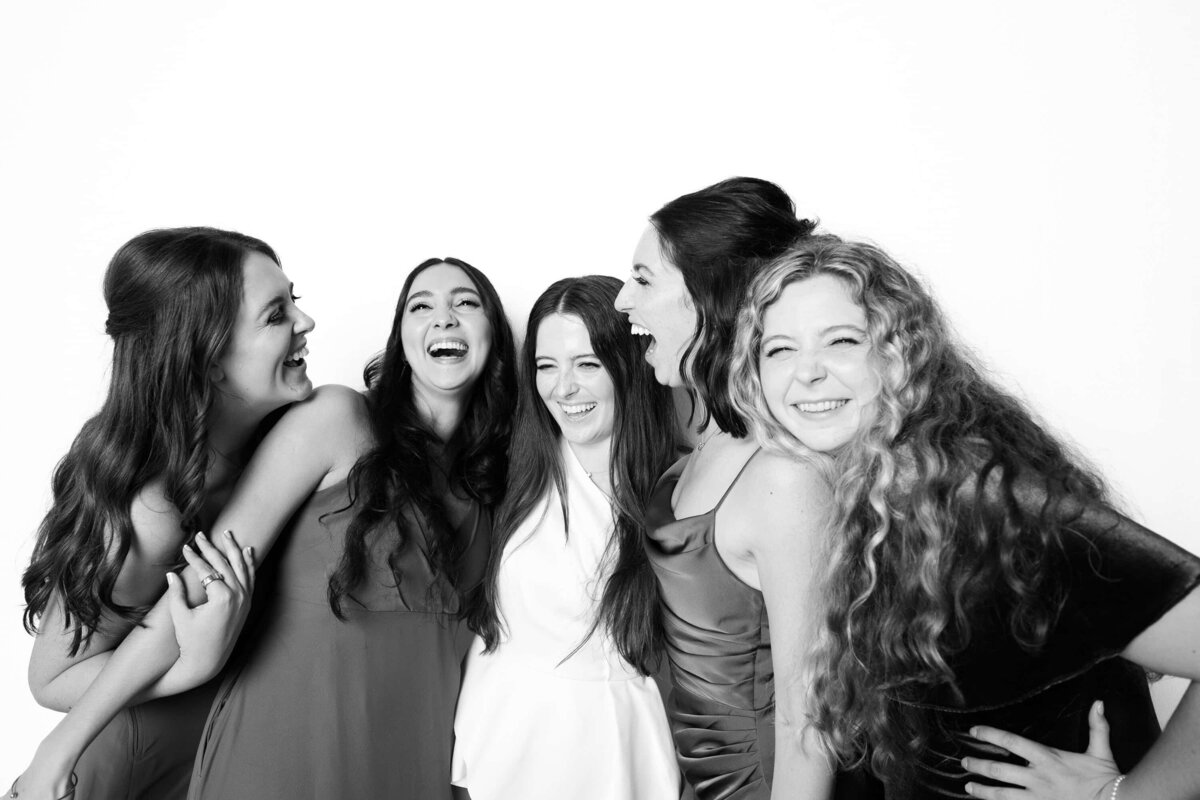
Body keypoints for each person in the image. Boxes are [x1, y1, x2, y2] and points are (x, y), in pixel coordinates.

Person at [14, 257, 517, 800]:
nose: (443, 319)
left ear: (495, 332)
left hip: (410, 757)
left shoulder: (503, 485)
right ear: (400, 337)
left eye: (465, 303)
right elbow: (193, 592)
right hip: (284, 753)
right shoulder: (335, 419)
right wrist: (60, 748)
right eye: (421, 306)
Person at [729, 235, 1200, 800]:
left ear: (900, 353)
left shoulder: (989, 502)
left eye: (843, 341)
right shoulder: (861, 500)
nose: (806, 373)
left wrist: (1124, 797)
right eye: (780, 349)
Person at [14, 227, 308, 799]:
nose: (305, 322)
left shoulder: (279, 442)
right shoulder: (153, 510)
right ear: (211, 361)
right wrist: (190, 667)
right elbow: (50, 680)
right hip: (119, 771)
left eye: (296, 299)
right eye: (276, 315)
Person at [615, 177, 881, 800]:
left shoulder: (783, 479)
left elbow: (807, 724)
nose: (623, 300)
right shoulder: (702, 440)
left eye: (644, 279)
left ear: (712, 298)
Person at [452, 276, 681, 800]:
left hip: (616, 751)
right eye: (546, 366)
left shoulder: (680, 488)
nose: (563, 388)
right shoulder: (511, 471)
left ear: (629, 365)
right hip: (503, 742)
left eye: (587, 364)